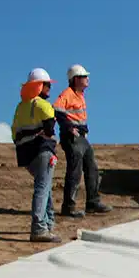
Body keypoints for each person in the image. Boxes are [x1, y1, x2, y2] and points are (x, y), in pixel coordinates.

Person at [53, 64, 112, 218]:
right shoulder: (67, 94)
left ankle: (92, 202)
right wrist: (69, 128)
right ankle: (69, 207)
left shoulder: (80, 95)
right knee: (75, 171)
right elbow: (57, 110)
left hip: (81, 138)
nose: (87, 79)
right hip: (72, 138)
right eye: (84, 77)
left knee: (92, 168)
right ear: (76, 79)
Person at [11, 68, 61, 243]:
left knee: (44, 187)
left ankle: (48, 223)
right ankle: (39, 228)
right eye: (47, 85)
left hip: (26, 155)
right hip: (42, 151)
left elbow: (14, 133)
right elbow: (50, 129)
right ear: (40, 86)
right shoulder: (43, 105)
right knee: (42, 188)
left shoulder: (20, 107)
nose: (49, 88)